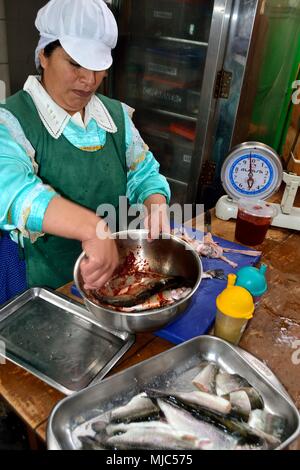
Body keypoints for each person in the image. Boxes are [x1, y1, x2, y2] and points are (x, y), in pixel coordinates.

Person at [0, 0, 170, 303]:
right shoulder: (11, 120)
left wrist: (154, 202)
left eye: (98, 66)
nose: (89, 80)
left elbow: (142, 172)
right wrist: (92, 228)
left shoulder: (115, 117)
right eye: (75, 63)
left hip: (116, 277)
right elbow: (9, 189)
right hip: (47, 287)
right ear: (44, 55)